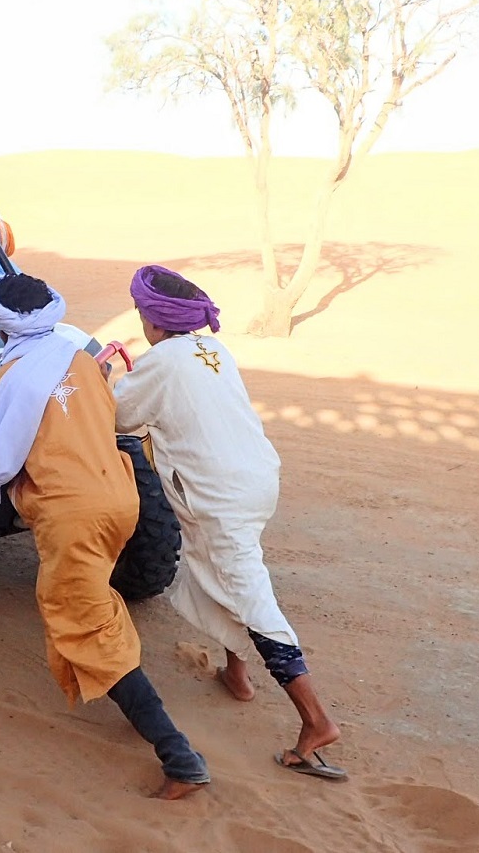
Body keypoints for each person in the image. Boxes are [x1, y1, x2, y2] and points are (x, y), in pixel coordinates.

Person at [0, 272, 210, 799]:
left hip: (72, 512)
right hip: (120, 498)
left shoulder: (5, 382)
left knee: (80, 617)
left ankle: (178, 755)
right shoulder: (79, 358)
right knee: (97, 598)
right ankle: (130, 692)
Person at [111, 264, 347, 782]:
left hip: (216, 497)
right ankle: (237, 676)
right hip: (256, 482)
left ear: (153, 319)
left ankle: (316, 721)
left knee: (249, 595)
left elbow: (119, 418)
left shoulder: (162, 362)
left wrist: (103, 380)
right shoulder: (214, 351)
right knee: (222, 573)